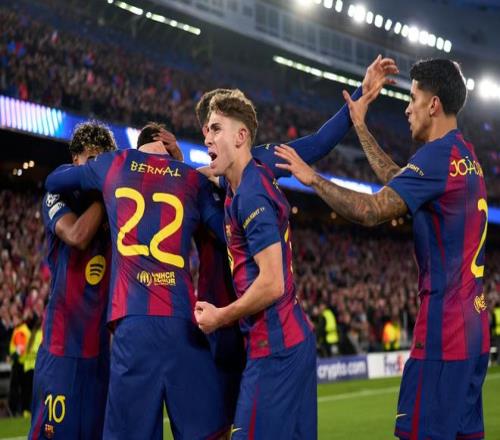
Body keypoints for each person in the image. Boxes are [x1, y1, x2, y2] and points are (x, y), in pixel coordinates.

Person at [275, 58, 490, 440]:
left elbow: (372, 210)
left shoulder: (437, 157)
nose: (407, 108)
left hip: (443, 330)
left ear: (433, 105)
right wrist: (360, 126)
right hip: (474, 325)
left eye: (413, 98)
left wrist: (313, 179)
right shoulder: (465, 155)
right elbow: (398, 180)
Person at [45, 122, 231, 440]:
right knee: (211, 433)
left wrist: (99, 176)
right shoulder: (190, 178)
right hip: (183, 322)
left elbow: (54, 180)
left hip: (131, 323)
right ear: (168, 145)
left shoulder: (114, 164)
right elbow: (227, 233)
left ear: (138, 145)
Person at [193, 90, 318, 439]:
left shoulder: (251, 195)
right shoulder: (243, 183)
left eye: (216, 129)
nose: (207, 138)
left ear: (241, 136)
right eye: (207, 131)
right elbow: (207, 174)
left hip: (276, 350)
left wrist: (220, 316)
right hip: (290, 343)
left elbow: (272, 282)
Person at [29, 121, 116, 439]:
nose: (97, 168)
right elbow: (78, 236)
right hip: (62, 349)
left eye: (102, 160)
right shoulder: (57, 196)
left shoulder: (117, 206)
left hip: (100, 354)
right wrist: (104, 195)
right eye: (90, 159)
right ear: (75, 160)